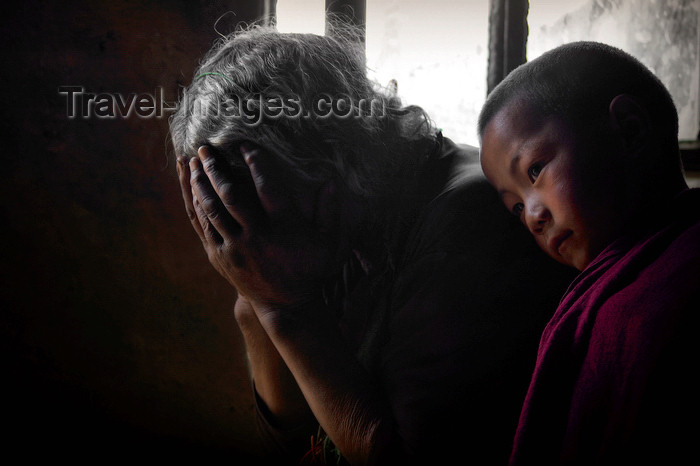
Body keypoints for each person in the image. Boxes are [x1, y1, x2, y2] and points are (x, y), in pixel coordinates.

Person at [170, 24, 574, 465]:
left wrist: (284, 308)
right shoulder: (325, 232)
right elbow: (290, 444)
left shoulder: (467, 223)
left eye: (252, 197)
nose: (249, 227)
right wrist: (253, 294)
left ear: (329, 158)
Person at [478, 41, 700, 465]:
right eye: (517, 207)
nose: (533, 218)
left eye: (535, 171)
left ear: (630, 129)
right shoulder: (597, 294)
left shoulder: (668, 292)